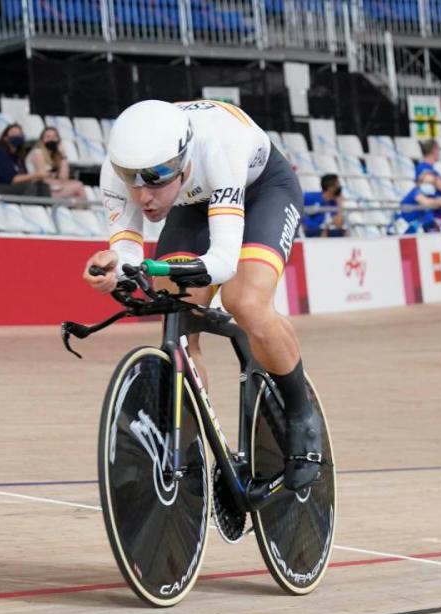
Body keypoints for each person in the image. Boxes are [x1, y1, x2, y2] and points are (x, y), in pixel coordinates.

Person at [83, 99, 320, 491]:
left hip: (262, 191)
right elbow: (127, 248)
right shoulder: (119, 169)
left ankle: (300, 414)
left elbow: (224, 261)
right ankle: (187, 444)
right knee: (179, 314)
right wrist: (116, 268)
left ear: (181, 160)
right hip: (191, 204)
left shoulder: (217, 147)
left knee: (245, 301)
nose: (144, 196)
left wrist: (156, 268)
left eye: (156, 178)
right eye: (133, 180)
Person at [0, 124, 50, 197]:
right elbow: (12, 179)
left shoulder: (17, 156)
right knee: (28, 186)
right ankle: (28, 208)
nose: (17, 136)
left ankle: (46, 208)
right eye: (14, 134)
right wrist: (37, 174)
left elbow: (23, 176)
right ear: (5, 138)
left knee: (43, 187)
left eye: (19, 135)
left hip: (6, 186)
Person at [26, 127, 86, 200]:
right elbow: (42, 177)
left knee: (77, 196)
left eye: (54, 137)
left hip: (53, 187)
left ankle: (82, 210)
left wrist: (63, 156)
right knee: (78, 186)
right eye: (48, 137)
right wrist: (60, 183)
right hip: (40, 189)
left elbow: (64, 178)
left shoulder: (56, 156)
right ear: (42, 140)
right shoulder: (37, 152)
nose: (51, 139)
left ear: (58, 140)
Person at [396, 169, 441, 234]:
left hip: (418, 228)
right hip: (401, 228)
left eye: (432, 183)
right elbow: (426, 202)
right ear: (420, 183)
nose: (430, 185)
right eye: (427, 183)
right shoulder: (415, 192)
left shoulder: (431, 195)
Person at [301, 173, 345, 238]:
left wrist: (340, 204)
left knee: (344, 232)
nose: (340, 187)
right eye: (338, 185)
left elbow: (338, 224)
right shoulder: (310, 197)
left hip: (323, 232)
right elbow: (297, 209)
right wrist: (305, 224)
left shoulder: (333, 202)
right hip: (309, 230)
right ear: (330, 188)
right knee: (324, 233)